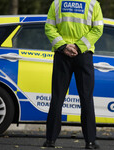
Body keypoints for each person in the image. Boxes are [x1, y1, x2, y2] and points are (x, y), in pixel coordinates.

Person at [44, 0, 104, 149]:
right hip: (83, 56)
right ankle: (90, 141)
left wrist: (64, 46)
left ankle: (50, 140)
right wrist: (79, 46)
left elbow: (49, 27)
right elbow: (98, 29)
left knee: (57, 97)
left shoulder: (57, 3)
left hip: (62, 55)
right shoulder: (92, 3)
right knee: (86, 99)